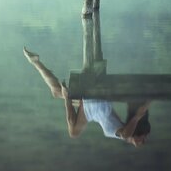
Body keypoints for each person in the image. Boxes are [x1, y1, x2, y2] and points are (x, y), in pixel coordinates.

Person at [23, 47, 151, 147]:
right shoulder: (123, 131)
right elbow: (126, 134)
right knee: (72, 131)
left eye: (143, 139)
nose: (142, 141)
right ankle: (38, 65)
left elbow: (127, 135)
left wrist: (135, 132)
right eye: (143, 138)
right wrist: (138, 116)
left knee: (56, 92)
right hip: (96, 104)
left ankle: (35, 62)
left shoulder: (123, 131)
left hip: (92, 111)